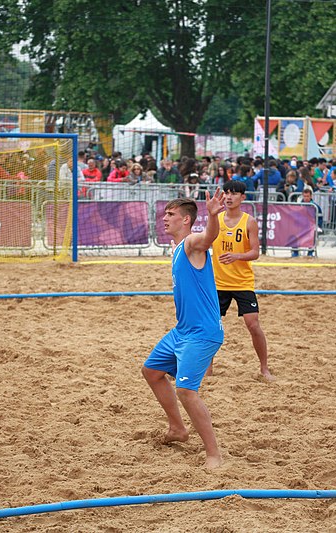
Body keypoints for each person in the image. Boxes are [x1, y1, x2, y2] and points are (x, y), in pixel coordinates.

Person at [142, 191, 226, 469]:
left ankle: (214, 454)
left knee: (186, 391)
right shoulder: (177, 248)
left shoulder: (192, 243)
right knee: (151, 372)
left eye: (171, 214)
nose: (164, 218)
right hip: (183, 331)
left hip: (202, 333)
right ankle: (177, 429)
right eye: (165, 213)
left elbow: (207, 238)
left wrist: (213, 215)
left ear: (186, 219)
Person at [210, 180, 274, 381]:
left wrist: (237, 256)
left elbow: (255, 252)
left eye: (234, 193)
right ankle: (207, 369)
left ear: (243, 197)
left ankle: (264, 368)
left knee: (253, 325)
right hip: (218, 282)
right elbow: (203, 242)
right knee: (211, 326)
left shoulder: (249, 221)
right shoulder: (216, 219)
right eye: (227, 193)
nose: (229, 197)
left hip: (242, 282)